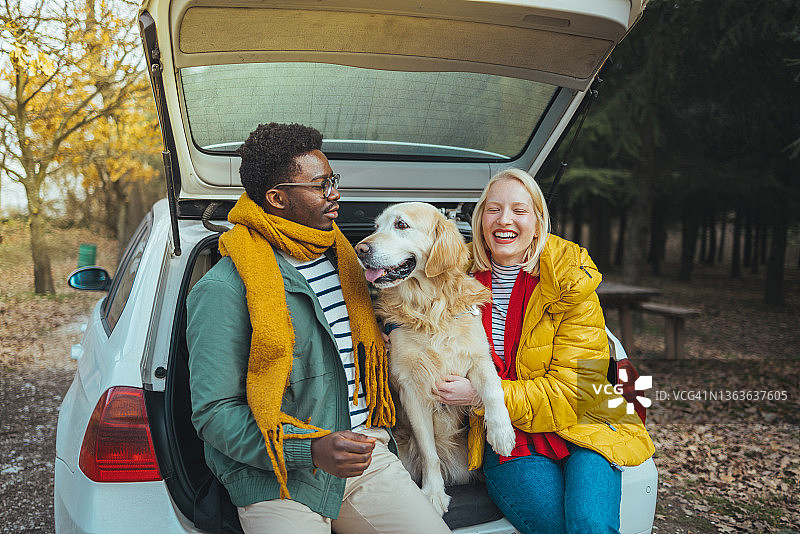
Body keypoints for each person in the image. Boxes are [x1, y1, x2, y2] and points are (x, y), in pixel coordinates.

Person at [186, 123, 450, 534]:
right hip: (275, 474)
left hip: (365, 452)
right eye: (321, 185)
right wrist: (309, 450)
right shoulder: (223, 288)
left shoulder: (347, 261)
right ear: (277, 198)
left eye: (334, 180)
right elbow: (214, 414)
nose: (335, 194)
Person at [436, 168, 655, 534]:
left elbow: (573, 391)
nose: (505, 220)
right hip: (509, 436)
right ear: (480, 219)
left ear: (538, 221)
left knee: (590, 526)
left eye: (519, 211)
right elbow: (412, 309)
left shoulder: (571, 280)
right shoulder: (453, 275)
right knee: (556, 526)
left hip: (586, 426)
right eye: (494, 209)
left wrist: (481, 395)